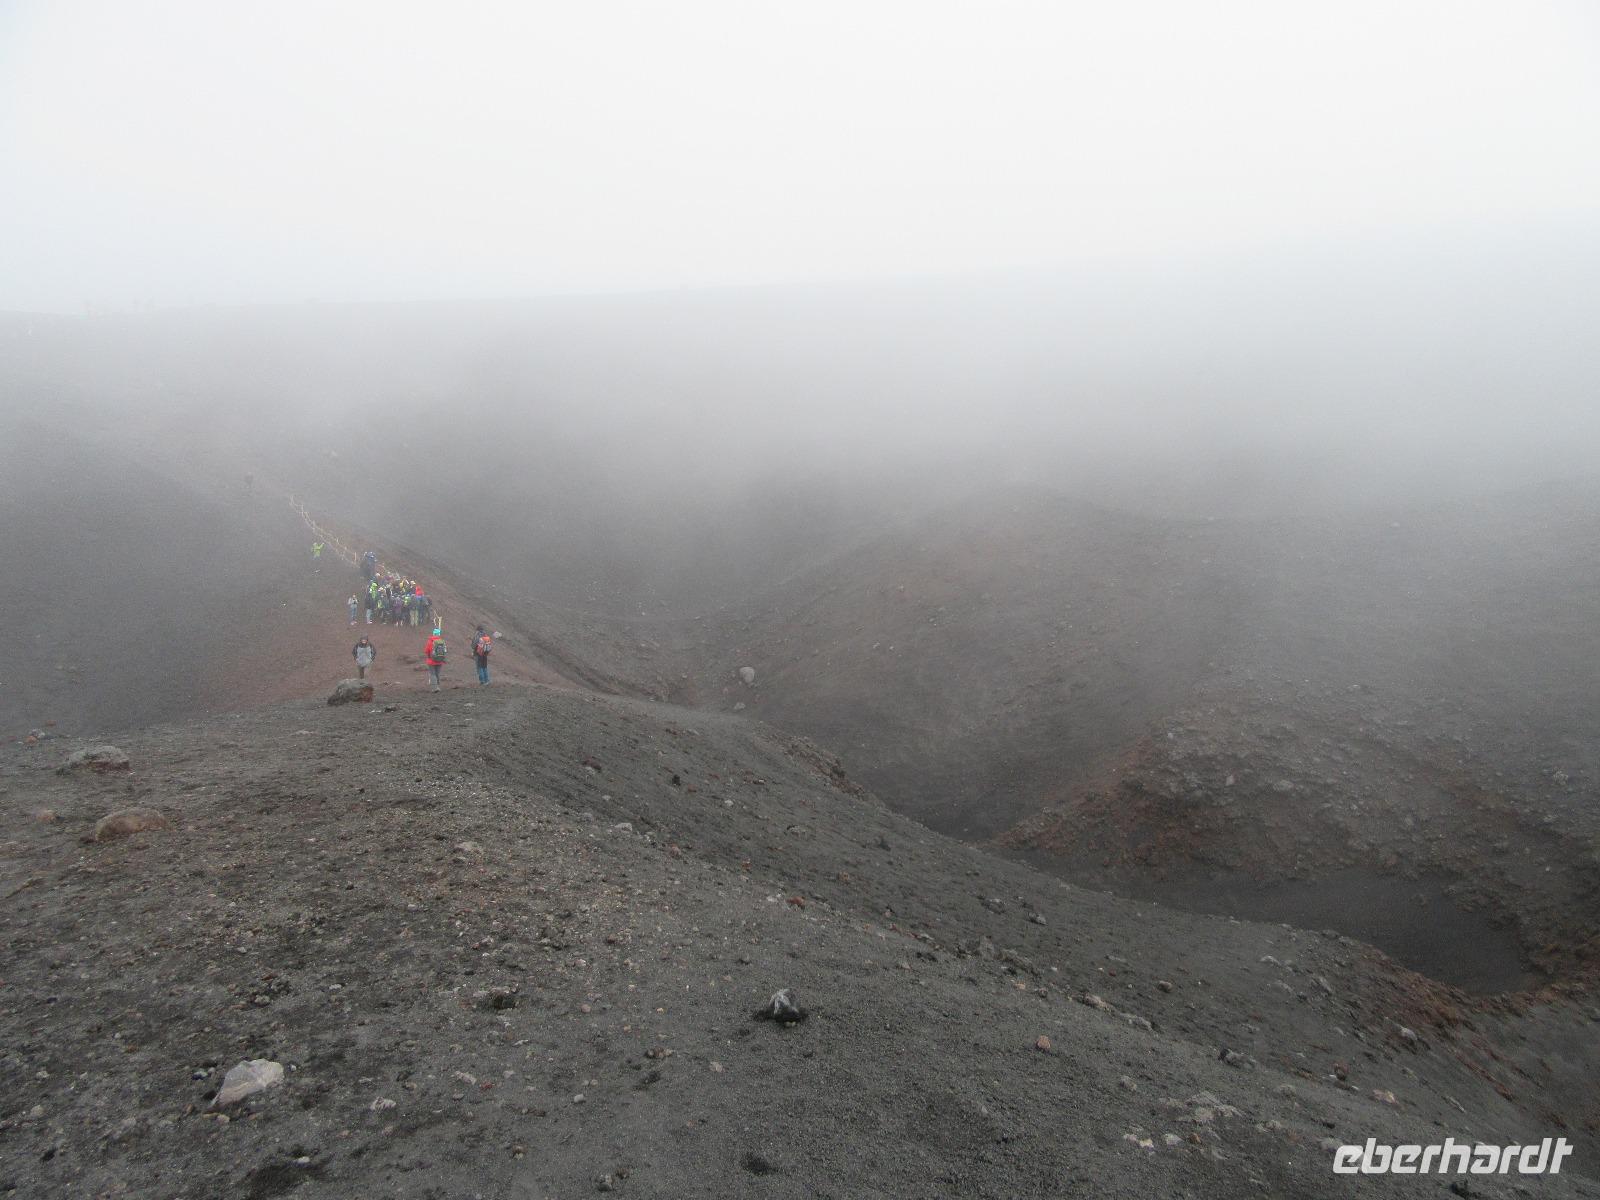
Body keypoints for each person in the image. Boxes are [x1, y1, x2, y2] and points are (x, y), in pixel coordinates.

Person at [424, 627, 447, 692]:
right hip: (440, 660)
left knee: (432, 674)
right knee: (437, 674)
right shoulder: (442, 641)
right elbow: (445, 651)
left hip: (431, 661)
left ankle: (435, 688)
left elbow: (426, 651)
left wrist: (429, 655)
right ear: (439, 634)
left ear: (433, 633)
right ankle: (438, 687)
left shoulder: (430, 641)